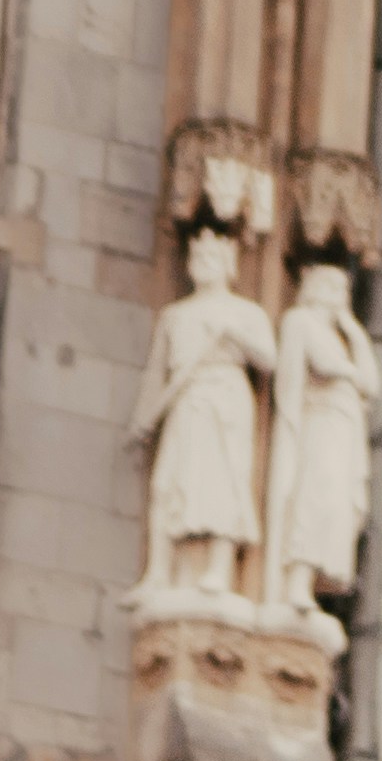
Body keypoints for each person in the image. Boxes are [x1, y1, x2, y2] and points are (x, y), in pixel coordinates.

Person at [130, 219, 276, 596]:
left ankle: (219, 569)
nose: (203, 264)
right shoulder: (175, 315)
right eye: (197, 257)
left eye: (212, 257)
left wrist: (235, 335)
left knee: (224, 480)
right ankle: (158, 571)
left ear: (228, 265)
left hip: (225, 396)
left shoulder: (246, 312)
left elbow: (268, 359)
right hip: (185, 398)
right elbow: (156, 372)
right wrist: (142, 418)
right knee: (166, 483)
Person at [269, 253, 379, 618]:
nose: (339, 296)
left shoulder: (340, 337)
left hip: (342, 428)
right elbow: (324, 364)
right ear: (314, 288)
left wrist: (354, 331)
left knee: (334, 503)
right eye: (332, 287)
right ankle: (296, 581)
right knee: (313, 495)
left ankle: (310, 581)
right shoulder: (300, 321)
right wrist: (349, 372)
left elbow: (371, 384)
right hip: (318, 422)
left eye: (343, 289)